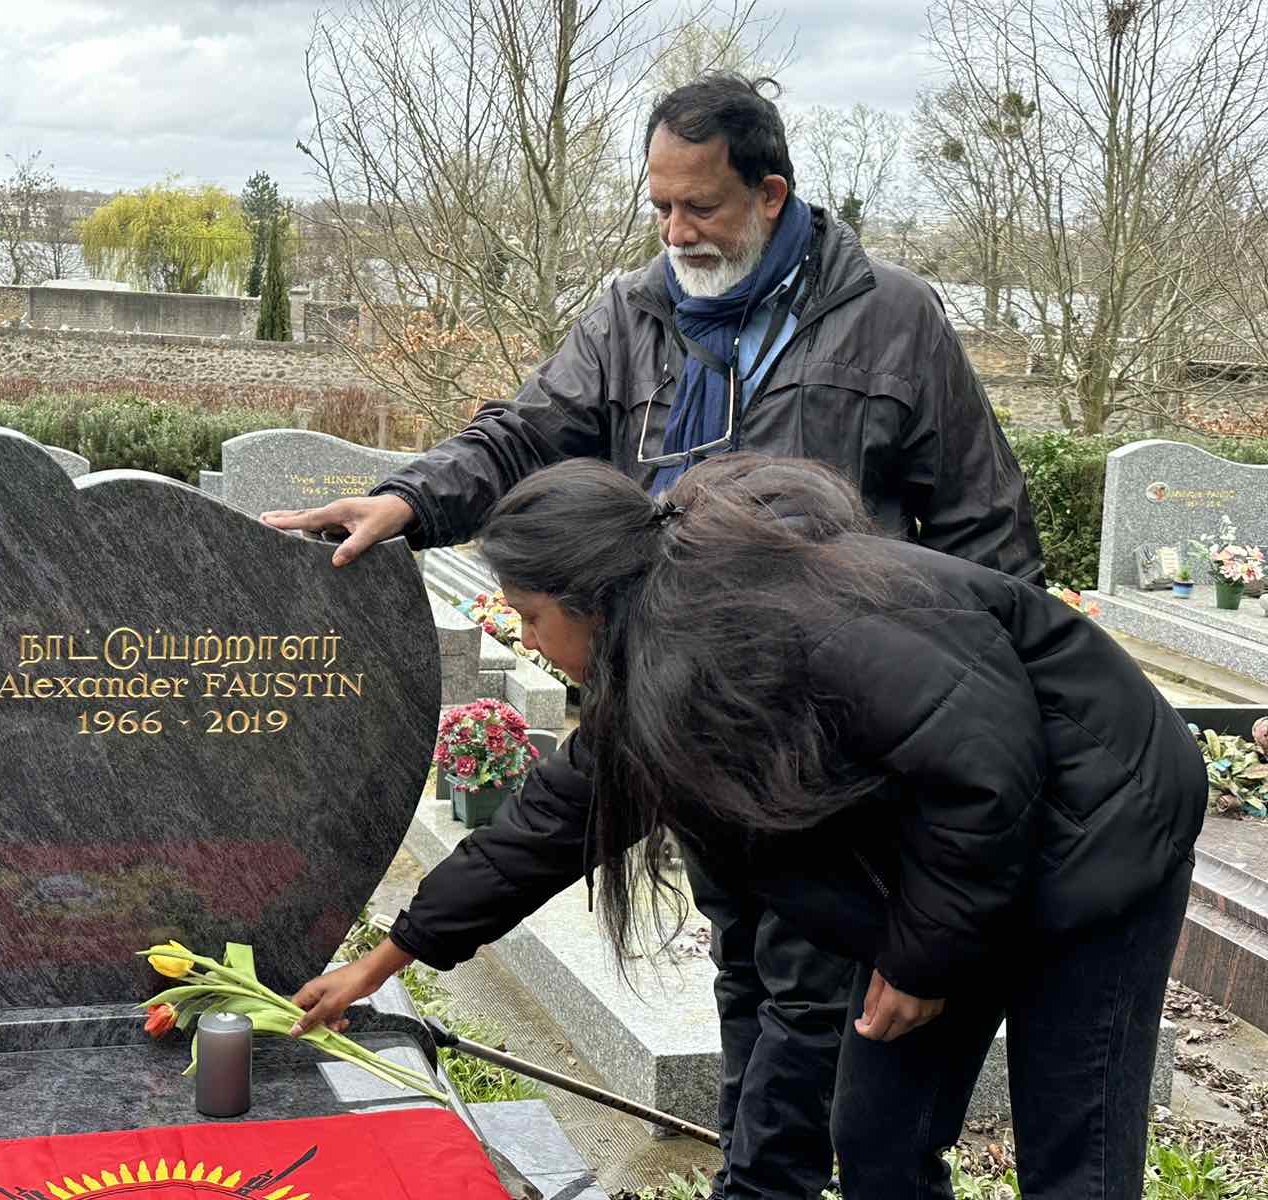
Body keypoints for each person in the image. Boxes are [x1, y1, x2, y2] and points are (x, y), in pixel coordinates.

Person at [266, 72, 1044, 1199]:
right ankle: (758, 1172)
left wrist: (971, 718)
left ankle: (766, 1183)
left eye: (702, 207)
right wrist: (410, 499)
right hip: (687, 718)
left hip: (836, 744)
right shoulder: (633, 313)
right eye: (661, 207)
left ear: (771, 194)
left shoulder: (893, 319)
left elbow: (985, 533)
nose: (677, 233)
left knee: (811, 1003)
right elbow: (523, 434)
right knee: (745, 975)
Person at [295, 455, 1205, 1199]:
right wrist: (386, 961)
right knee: (878, 1138)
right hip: (951, 870)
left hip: (1097, 833)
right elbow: (547, 826)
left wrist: (922, 962)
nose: (527, 639)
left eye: (532, 616)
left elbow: (981, 766)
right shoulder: (653, 665)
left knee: (1073, 1151)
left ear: (594, 598)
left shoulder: (791, 619)